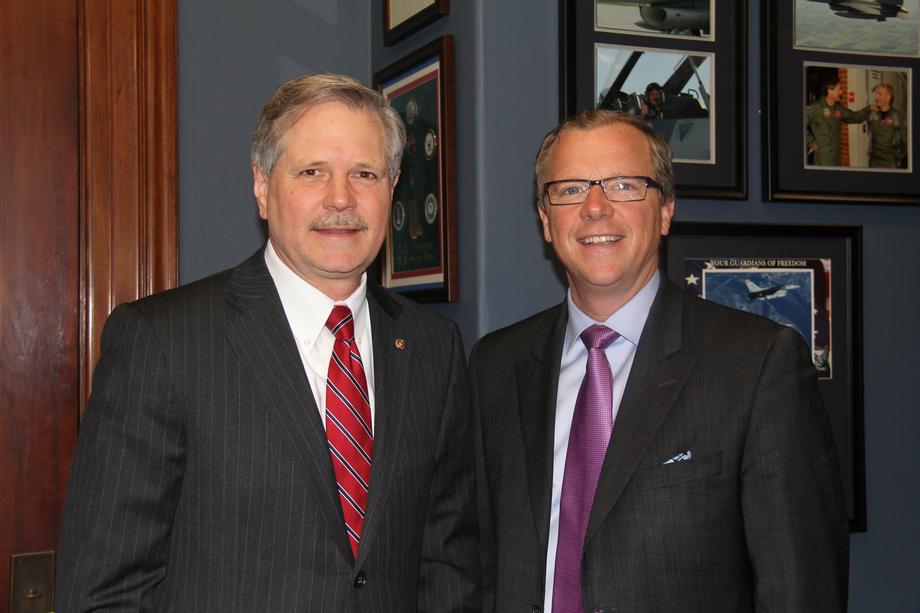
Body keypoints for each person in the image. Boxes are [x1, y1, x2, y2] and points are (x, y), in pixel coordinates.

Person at [56, 73, 479, 612]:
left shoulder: (433, 348)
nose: (341, 198)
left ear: (392, 187)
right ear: (261, 186)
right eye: (312, 172)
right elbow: (102, 591)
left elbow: (447, 564)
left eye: (365, 173)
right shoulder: (163, 342)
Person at [471, 108, 849, 612]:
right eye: (570, 189)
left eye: (624, 185)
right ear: (545, 219)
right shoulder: (495, 365)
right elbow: (470, 561)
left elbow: (800, 590)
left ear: (666, 209)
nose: (596, 207)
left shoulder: (758, 365)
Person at [805, 75, 869, 166]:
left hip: (836, 158)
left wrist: (869, 109)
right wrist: (811, 142)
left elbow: (855, 117)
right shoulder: (815, 107)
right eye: (838, 89)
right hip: (822, 158)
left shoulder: (838, 109)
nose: (841, 92)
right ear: (829, 90)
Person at [867, 82, 908, 169]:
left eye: (880, 94)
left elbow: (904, 143)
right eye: (877, 94)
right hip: (873, 162)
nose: (876, 97)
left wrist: (897, 162)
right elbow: (870, 137)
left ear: (888, 97)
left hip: (890, 164)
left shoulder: (898, 117)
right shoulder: (872, 115)